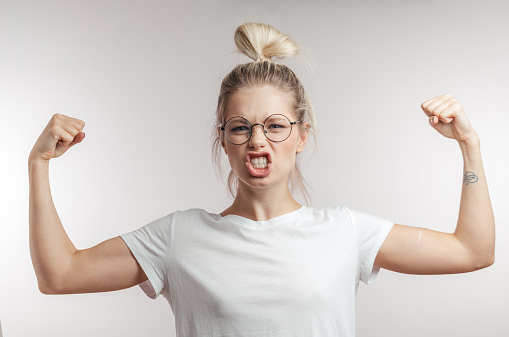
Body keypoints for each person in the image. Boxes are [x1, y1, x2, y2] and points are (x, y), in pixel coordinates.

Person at [28, 22, 495, 336]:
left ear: (302, 135)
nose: (258, 141)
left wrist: (468, 146)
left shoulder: (346, 231)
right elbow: (60, 275)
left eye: (275, 125)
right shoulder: (179, 237)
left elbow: (472, 252)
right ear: (224, 138)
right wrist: (39, 165)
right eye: (241, 127)